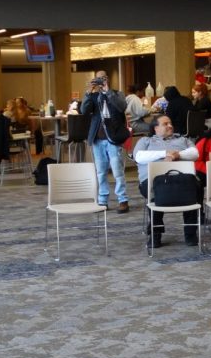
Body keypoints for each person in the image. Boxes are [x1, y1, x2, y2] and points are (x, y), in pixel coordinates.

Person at [134, 114, 199, 247]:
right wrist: (165, 154)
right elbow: (139, 156)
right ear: (156, 128)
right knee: (157, 193)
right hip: (153, 182)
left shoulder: (183, 140)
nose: (170, 126)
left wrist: (177, 155)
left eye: (170, 123)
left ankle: (190, 234)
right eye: (165, 124)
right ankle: (155, 235)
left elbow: (195, 153)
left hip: (181, 180)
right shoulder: (146, 141)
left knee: (193, 188)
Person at [80, 73, 131, 213]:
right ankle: (103, 200)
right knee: (101, 172)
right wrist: (89, 92)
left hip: (113, 138)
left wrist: (107, 91)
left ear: (107, 79)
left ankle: (122, 199)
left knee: (117, 170)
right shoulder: (94, 96)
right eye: (98, 78)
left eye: (103, 78)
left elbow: (121, 107)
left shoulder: (117, 94)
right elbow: (84, 110)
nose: (101, 81)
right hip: (98, 138)